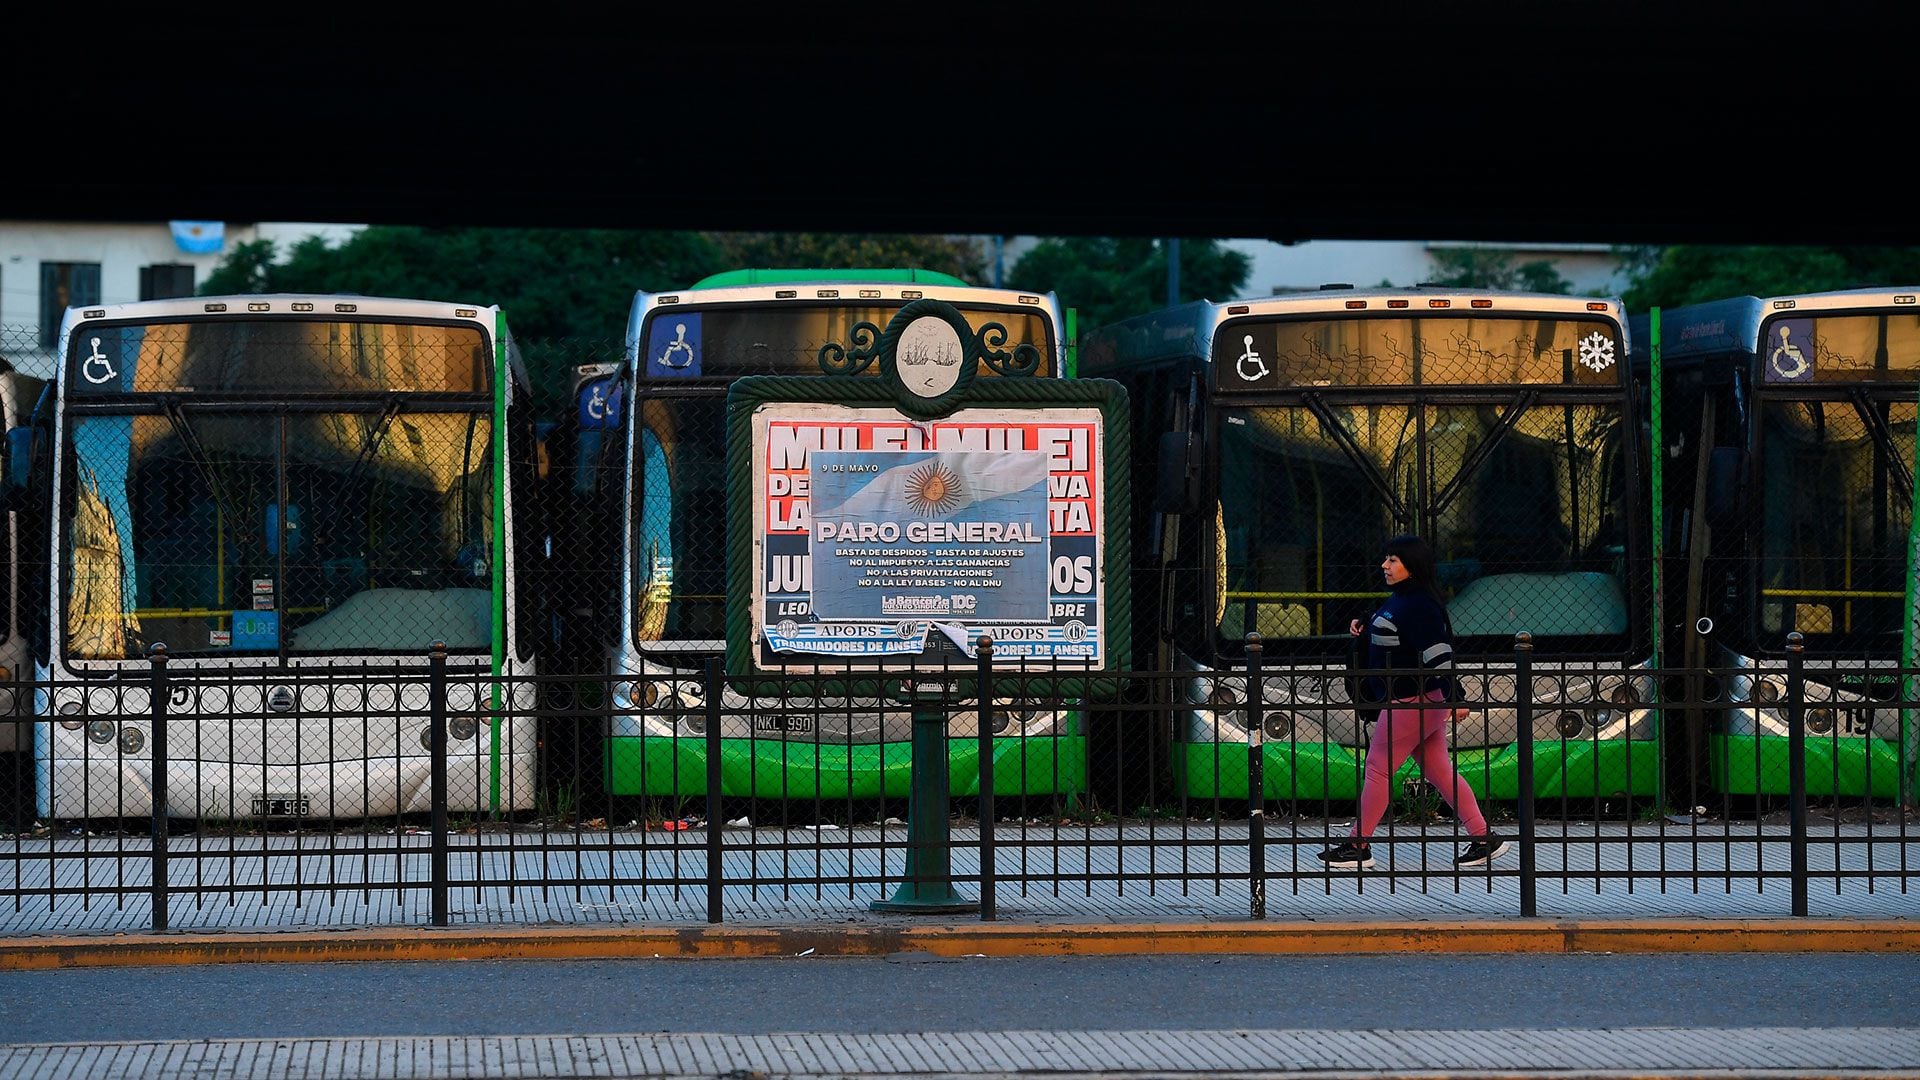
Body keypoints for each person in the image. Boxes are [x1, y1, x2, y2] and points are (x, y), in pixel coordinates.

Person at [1318, 535, 1511, 870]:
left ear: (1412, 565)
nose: (1385, 566)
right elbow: (1392, 626)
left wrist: (1456, 697)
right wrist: (1365, 623)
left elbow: (1439, 654)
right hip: (1417, 700)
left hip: (1411, 701)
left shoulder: (1420, 605)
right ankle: (1483, 838)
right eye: (1386, 559)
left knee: (1378, 769)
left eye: (1393, 560)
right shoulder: (1404, 598)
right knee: (1439, 771)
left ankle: (1358, 845)